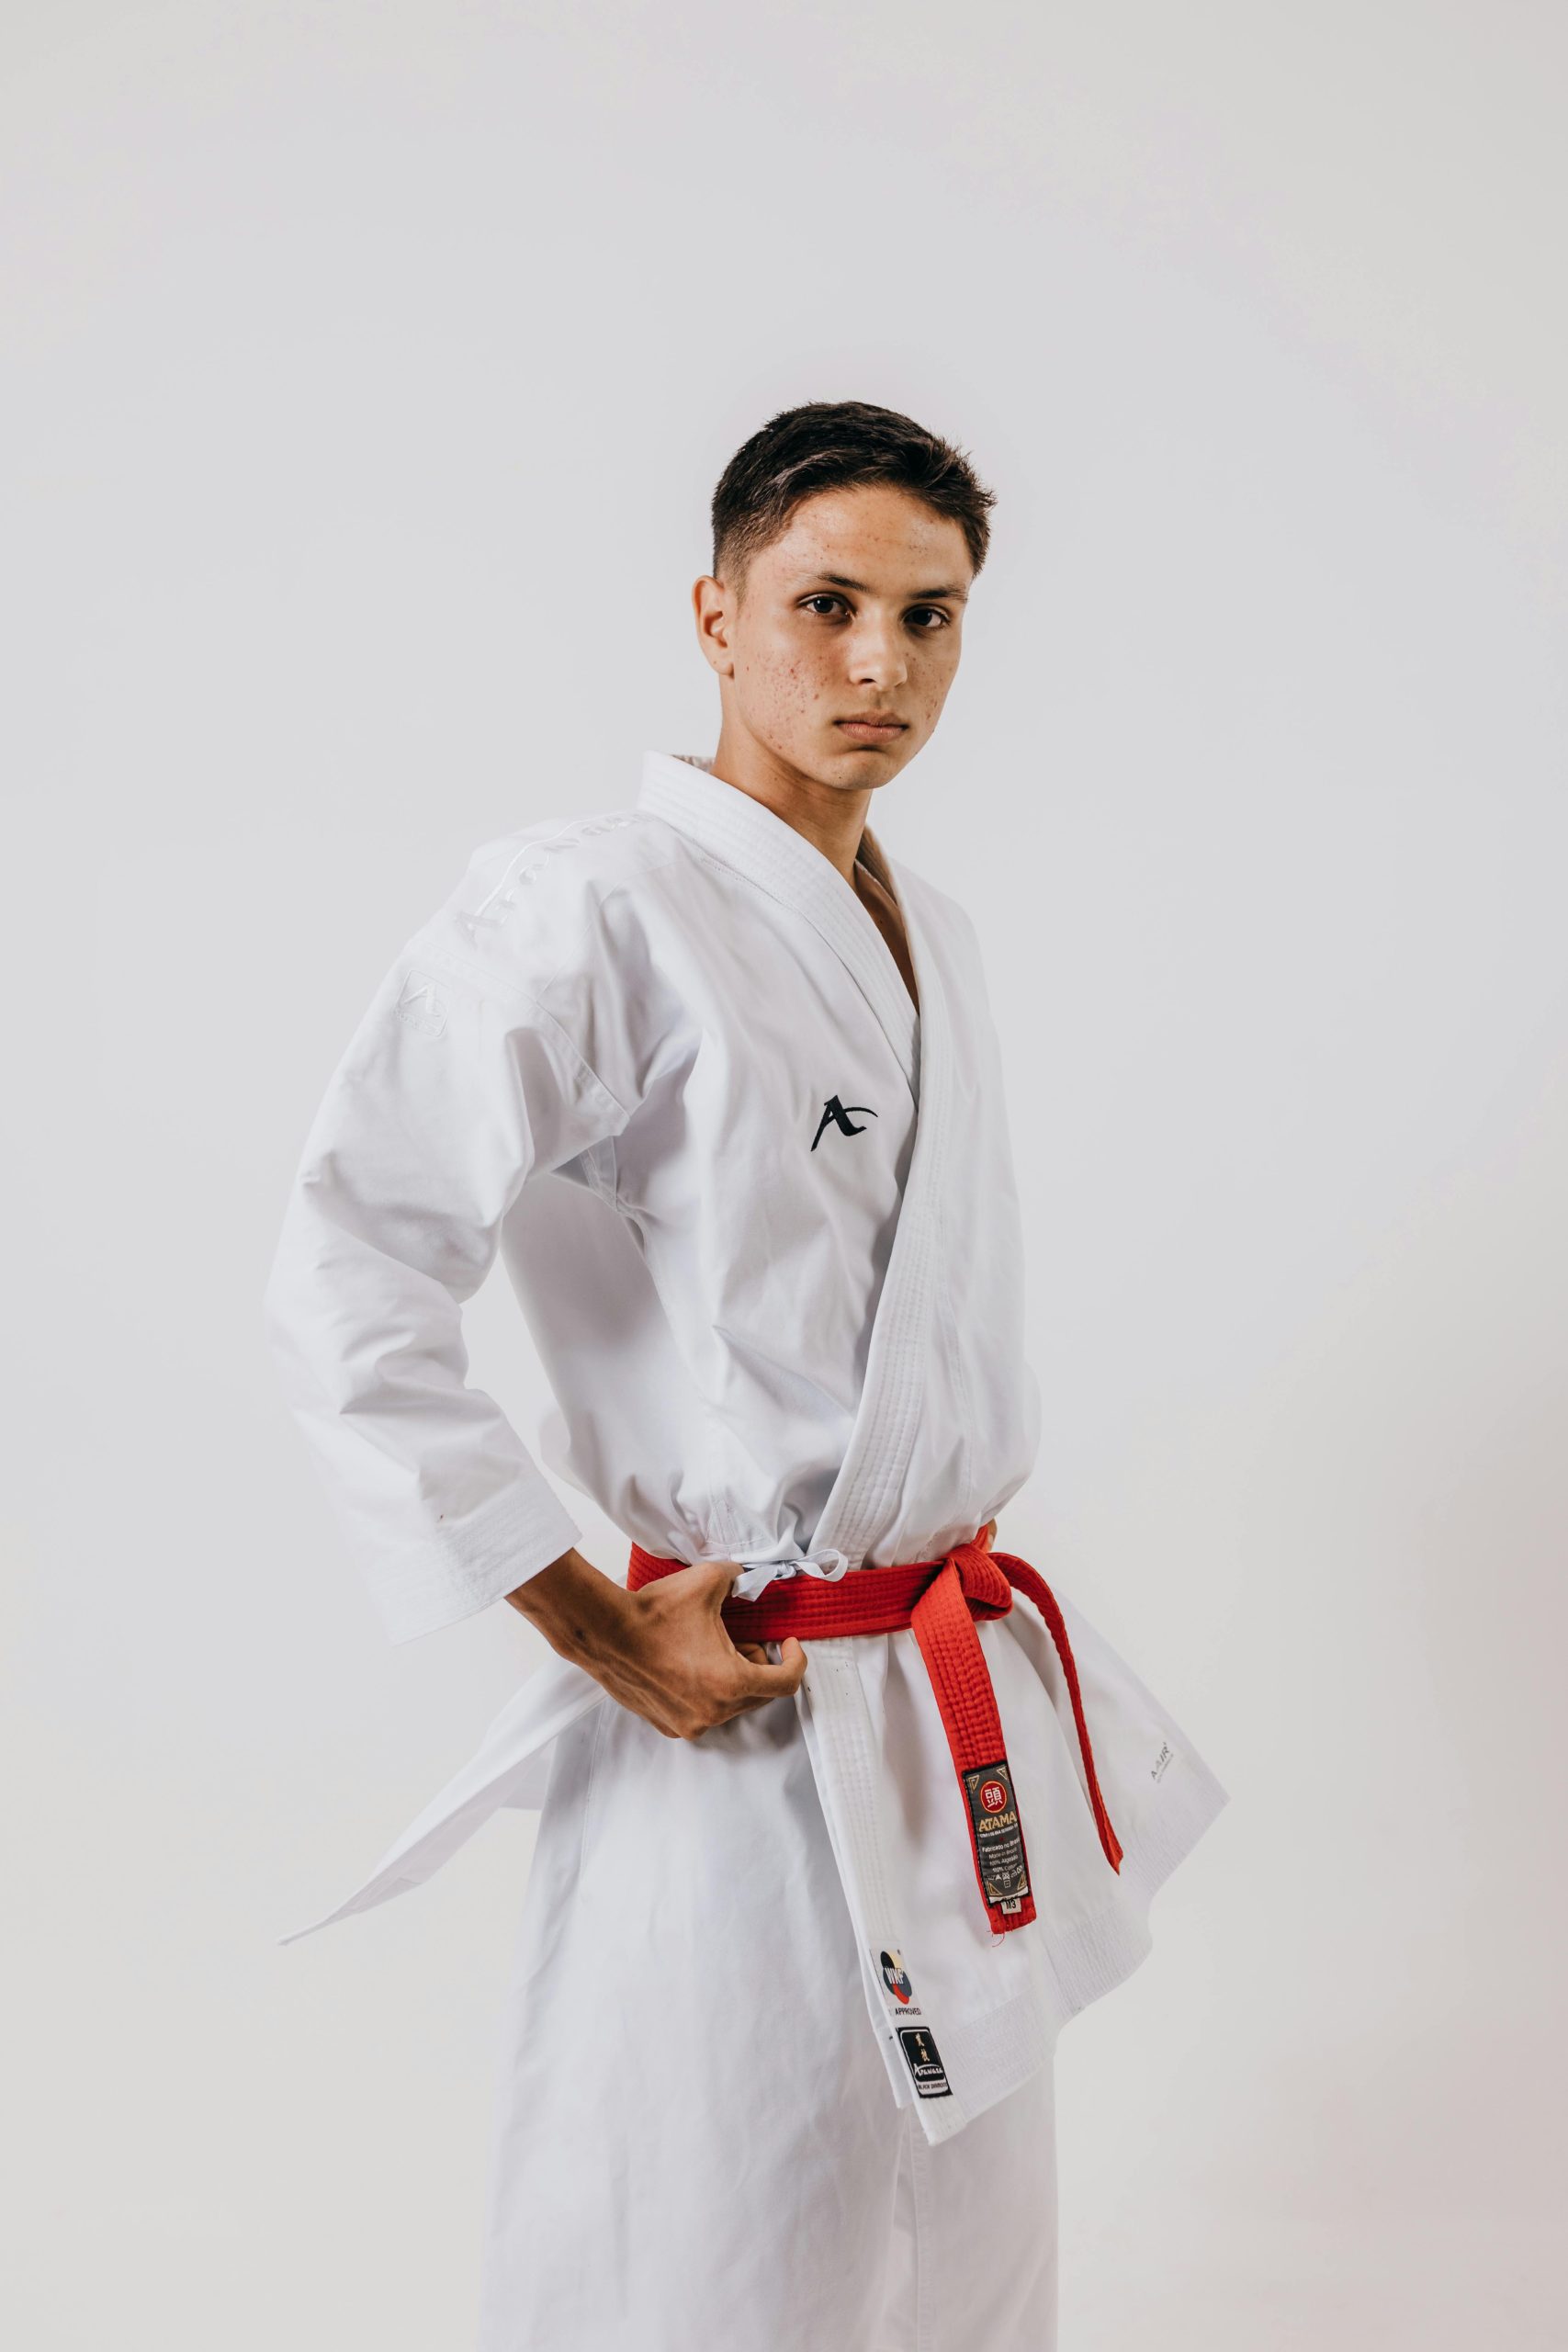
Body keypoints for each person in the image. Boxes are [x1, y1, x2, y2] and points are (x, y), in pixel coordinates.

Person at [264, 400, 1229, 2351]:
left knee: (961, 2267)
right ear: (713, 614)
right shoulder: (588, 903)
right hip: (732, 1693)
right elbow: (348, 1262)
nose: (880, 664)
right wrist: (591, 1623)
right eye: (827, 603)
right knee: (702, 2245)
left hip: (938, 1706)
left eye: (931, 615)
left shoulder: (929, 937)